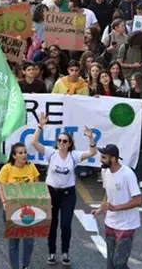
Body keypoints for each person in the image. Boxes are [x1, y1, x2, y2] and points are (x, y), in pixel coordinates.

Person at [30, 113, 97, 266]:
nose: (61, 143)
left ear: (69, 143)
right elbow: (34, 142)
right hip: (51, 193)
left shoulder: (74, 156)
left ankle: (65, 252)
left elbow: (92, 153)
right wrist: (40, 126)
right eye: (59, 140)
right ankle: (51, 252)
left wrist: (90, 138)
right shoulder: (51, 153)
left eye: (64, 141)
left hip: (68, 194)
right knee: (52, 224)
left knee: (65, 224)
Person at [92, 144, 142, 269]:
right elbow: (108, 192)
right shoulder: (105, 172)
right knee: (110, 264)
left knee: (119, 263)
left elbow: (138, 201)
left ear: (113, 159)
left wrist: (115, 208)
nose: (101, 160)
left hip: (126, 225)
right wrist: (102, 208)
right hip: (110, 223)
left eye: (104, 157)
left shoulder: (127, 174)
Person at [0, 142, 39, 269]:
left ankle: (26, 265)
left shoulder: (31, 167)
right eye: (20, 153)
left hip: (28, 210)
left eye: (25, 152)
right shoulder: (7, 169)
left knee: (29, 241)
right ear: (14, 156)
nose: (24, 155)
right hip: (12, 210)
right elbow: (1, 189)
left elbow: (37, 187)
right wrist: (4, 203)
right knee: (14, 242)